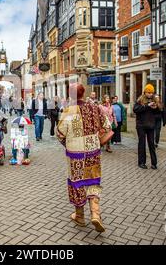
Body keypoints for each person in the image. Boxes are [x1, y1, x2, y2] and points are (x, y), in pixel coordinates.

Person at [57, 83, 109, 232]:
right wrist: (95, 138)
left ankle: (80, 216)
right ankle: (95, 213)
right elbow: (107, 125)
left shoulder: (68, 111)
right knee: (93, 180)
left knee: (77, 182)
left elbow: (60, 134)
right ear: (83, 92)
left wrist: (68, 144)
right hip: (93, 151)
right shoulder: (94, 107)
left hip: (76, 153)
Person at [133, 84, 160, 169]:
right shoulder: (140, 100)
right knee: (142, 144)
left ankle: (154, 163)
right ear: (145, 92)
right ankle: (141, 162)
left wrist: (156, 108)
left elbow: (159, 113)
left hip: (151, 125)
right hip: (141, 125)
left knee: (151, 144)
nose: (150, 94)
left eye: (151, 92)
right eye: (148, 92)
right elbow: (135, 109)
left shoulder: (155, 100)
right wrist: (147, 106)